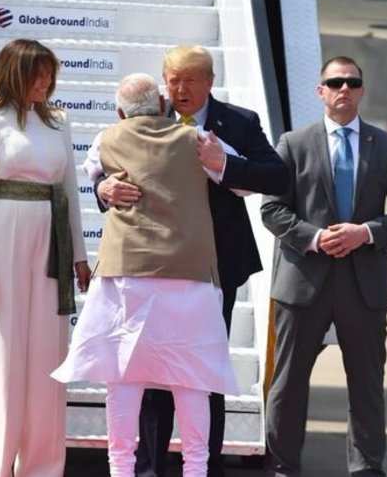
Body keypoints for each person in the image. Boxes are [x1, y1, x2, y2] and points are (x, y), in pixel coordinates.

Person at [94, 45, 287, 477]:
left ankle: (204, 466)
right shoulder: (148, 118)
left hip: (215, 266)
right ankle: (150, 468)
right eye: (172, 80)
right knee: (150, 371)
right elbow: (107, 167)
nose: (179, 90)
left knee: (202, 370)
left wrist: (228, 164)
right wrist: (103, 191)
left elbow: (277, 176)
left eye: (189, 80)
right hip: (154, 266)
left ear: (209, 82)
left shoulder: (239, 122)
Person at [53, 73, 240, 477]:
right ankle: (196, 470)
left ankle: (121, 471)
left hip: (126, 276)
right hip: (189, 276)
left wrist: (103, 188)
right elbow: (238, 182)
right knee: (192, 382)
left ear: (121, 112)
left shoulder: (107, 139)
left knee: (122, 379)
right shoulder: (197, 139)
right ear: (161, 105)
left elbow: (95, 177)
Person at [261, 56, 387, 477]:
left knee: (366, 385)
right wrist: (315, 238)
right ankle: (282, 465)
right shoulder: (293, 144)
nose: (343, 89)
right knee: (289, 384)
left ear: (362, 90)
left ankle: (366, 468)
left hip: (364, 285)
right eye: (335, 82)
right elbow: (272, 210)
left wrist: (364, 232)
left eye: (352, 82)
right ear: (321, 91)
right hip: (303, 283)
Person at [0, 38, 91, 477]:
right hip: (4, 239)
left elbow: (70, 193)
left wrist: (79, 254)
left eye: (49, 74)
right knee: (6, 354)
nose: (46, 83)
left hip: (51, 241)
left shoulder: (59, 122)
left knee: (47, 356)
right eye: (38, 74)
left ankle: (42, 467)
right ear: (16, 74)